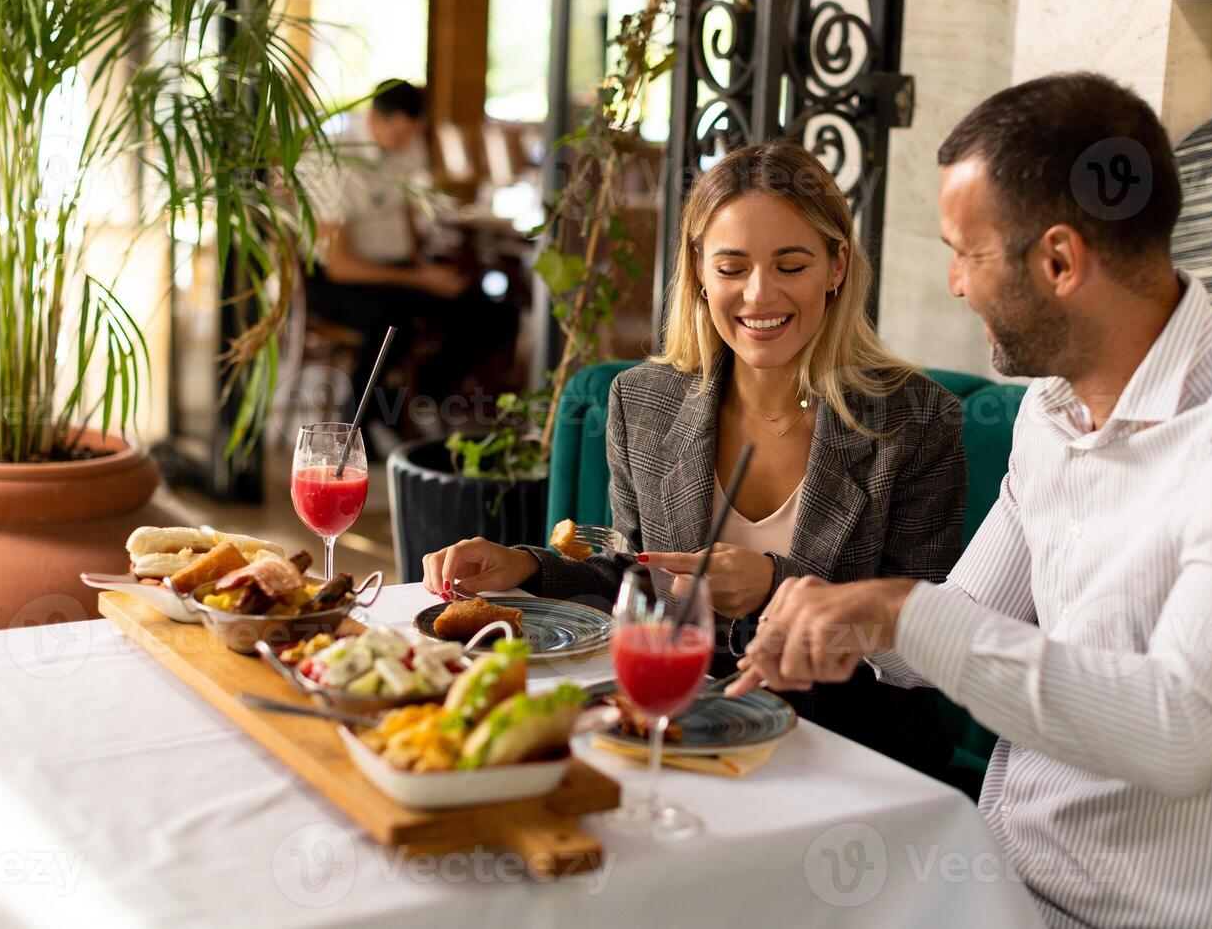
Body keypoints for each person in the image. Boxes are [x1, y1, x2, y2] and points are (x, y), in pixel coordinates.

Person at [728, 73, 1212, 927]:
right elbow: (940, 636)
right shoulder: (1050, 413)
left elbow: (1179, 730)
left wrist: (897, 610)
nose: (955, 283)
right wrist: (834, 609)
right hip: (1002, 887)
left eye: (968, 252)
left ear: (1060, 261)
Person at [421, 142, 967, 773]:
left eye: (791, 266)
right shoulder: (643, 403)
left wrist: (774, 585)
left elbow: (926, 636)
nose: (759, 295)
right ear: (700, 272)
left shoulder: (916, 422)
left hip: (849, 755)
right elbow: (637, 579)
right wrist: (526, 568)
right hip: (677, 728)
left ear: (837, 265)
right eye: (732, 268)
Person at [307, 79, 518, 446]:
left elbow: (408, 213)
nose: (406, 141)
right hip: (336, 280)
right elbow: (338, 264)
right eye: (399, 132)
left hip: (400, 271)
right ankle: (360, 425)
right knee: (392, 319)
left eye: (412, 133)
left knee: (496, 315)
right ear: (375, 117)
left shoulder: (410, 144)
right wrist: (421, 279)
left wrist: (422, 264)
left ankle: (423, 399)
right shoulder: (334, 158)